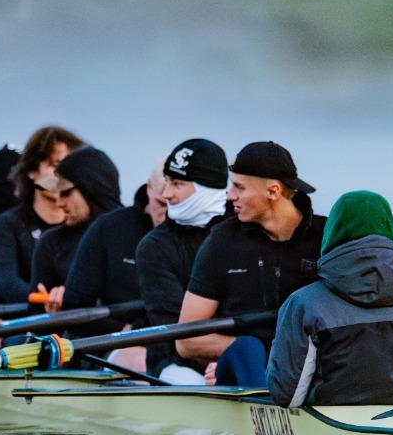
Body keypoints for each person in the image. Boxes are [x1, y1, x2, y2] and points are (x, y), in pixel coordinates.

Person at [267, 190, 393, 408]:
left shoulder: (304, 303)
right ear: (389, 230)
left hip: (332, 421)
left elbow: (288, 396)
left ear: (331, 234)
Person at [174, 140, 327, 389]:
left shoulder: (326, 239)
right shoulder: (221, 241)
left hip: (309, 366)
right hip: (247, 365)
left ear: (274, 191)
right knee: (248, 348)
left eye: (239, 187)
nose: (229, 195)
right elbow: (186, 340)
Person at [136, 139, 228, 383]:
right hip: (175, 361)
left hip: (234, 352)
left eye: (177, 184)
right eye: (166, 182)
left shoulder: (240, 232)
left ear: (206, 187)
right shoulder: (154, 247)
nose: (166, 194)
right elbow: (176, 329)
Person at [0, 125, 84, 305]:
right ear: (31, 171)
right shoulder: (5, 225)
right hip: (29, 323)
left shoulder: (89, 224)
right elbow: (5, 282)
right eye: (56, 166)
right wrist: (48, 300)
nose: (64, 175)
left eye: (70, 167)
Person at [61, 162, 165, 316]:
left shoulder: (205, 231)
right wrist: (122, 331)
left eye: (176, 205)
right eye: (162, 203)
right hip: (122, 334)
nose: (169, 214)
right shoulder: (108, 228)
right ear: (149, 188)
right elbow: (75, 305)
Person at [32, 146, 123, 309]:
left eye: (65, 192)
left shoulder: (139, 233)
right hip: (70, 334)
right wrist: (54, 317)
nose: (59, 202)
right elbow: (34, 318)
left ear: (92, 189)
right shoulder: (50, 243)